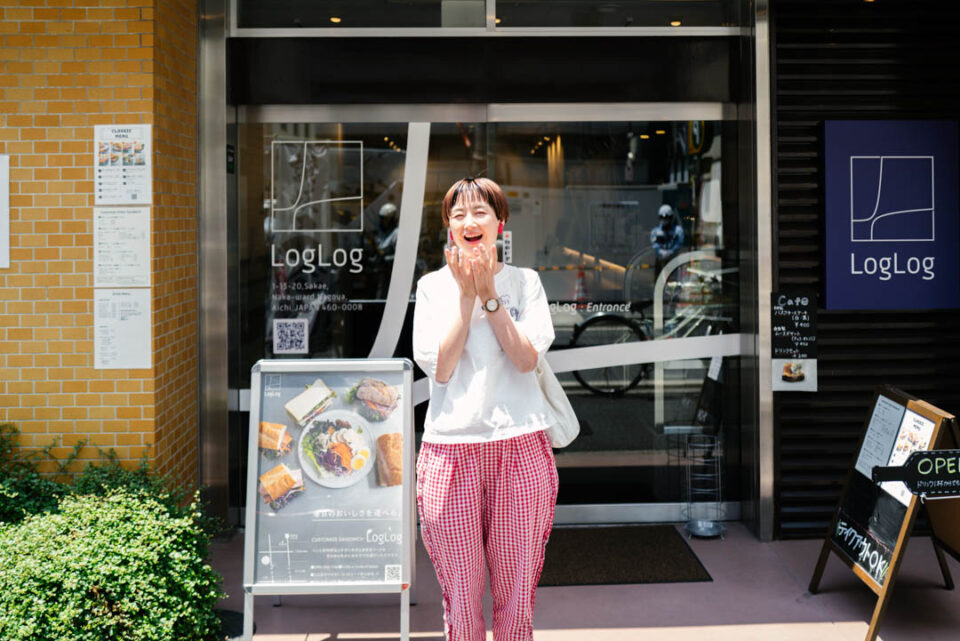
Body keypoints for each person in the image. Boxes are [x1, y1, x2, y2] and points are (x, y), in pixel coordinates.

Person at [412, 177, 559, 641]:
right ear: (448, 228)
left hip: (520, 446)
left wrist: (490, 294)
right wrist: (466, 294)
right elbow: (441, 367)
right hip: (450, 449)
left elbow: (525, 358)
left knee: (516, 588)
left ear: (500, 222)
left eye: (480, 212)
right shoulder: (433, 287)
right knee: (460, 586)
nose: (469, 222)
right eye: (458, 215)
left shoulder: (527, 283)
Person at [650, 203, 685, 273]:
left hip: (674, 262)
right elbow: (654, 244)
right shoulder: (655, 231)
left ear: (671, 218)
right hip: (660, 262)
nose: (664, 220)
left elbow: (679, 243)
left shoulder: (677, 231)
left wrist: (671, 251)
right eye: (662, 218)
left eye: (666, 218)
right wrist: (660, 251)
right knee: (659, 281)